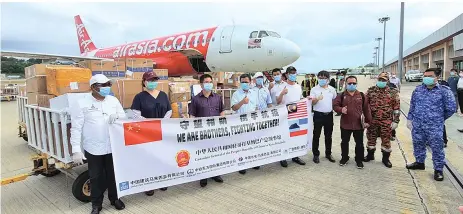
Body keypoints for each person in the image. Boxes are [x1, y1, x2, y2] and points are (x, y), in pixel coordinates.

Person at [70, 74, 126, 214]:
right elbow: (76, 127)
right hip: (94, 148)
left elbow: (124, 117)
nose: (107, 87)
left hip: (112, 145)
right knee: (96, 177)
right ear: (93, 87)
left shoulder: (113, 100)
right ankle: (96, 204)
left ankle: (115, 199)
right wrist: (76, 149)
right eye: (103, 85)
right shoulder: (82, 103)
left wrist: (117, 117)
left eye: (108, 84)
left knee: (113, 174)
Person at [406, 68, 456, 181]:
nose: (426, 78)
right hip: (418, 125)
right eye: (425, 76)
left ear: (437, 77)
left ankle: (438, 169)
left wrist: (439, 118)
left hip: (435, 126)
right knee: (418, 144)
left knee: (437, 147)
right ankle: (419, 162)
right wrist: (410, 119)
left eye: (430, 76)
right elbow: (412, 106)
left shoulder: (444, 91)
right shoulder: (418, 90)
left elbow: (451, 108)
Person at [131, 71, 172, 196]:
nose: (153, 82)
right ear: (144, 82)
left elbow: (169, 110)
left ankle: (161, 181)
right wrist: (151, 124)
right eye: (150, 80)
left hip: (162, 131)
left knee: (161, 156)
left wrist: (162, 123)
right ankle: (148, 184)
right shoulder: (139, 97)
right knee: (148, 158)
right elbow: (135, 114)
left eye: (155, 80)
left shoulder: (163, 95)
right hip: (146, 132)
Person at [189, 74, 225, 187]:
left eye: (210, 81)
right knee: (203, 154)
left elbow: (222, 112)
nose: (209, 84)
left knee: (215, 152)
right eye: (206, 82)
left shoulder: (218, 97)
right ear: (201, 84)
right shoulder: (195, 99)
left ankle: (215, 173)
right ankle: (203, 176)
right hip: (202, 132)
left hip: (215, 131)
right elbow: (192, 116)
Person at [333, 76, 372, 168]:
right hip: (345, 124)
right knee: (344, 142)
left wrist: (368, 121)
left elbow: (367, 109)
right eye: (349, 83)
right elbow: (335, 106)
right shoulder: (342, 95)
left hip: (359, 125)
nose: (352, 85)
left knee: (359, 143)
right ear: (346, 84)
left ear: (356, 84)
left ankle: (359, 160)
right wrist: (341, 109)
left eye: (354, 83)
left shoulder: (362, 95)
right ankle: (344, 158)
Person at [364, 72, 400, 168]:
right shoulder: (370, 91)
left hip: (386, 121)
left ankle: (385, 159)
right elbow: (365, 105)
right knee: (371, 138)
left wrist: (396, 121)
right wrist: (364, 119)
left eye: (383, 80)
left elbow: (396, 108)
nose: (381, 81)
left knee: (386, 140)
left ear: (387, 81)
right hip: (372, 120)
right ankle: (370, 155)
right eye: (380, 79)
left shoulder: (393, 92)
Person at [231, 73, 261, 174]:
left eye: (246, 82)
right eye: (242, 82)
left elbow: (256, 107)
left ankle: (252, 161)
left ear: (250, 82)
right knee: (241, 144)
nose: (244, 84)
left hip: (252, 122)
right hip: (240, 122)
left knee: (252, 142)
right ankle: (241, 164)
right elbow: (234, 108)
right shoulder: (236, 94)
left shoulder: (254, 93)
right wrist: (242, 102)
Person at [277, 66, 306, 167]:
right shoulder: (282, 86)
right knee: (284, 136)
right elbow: (278, 101)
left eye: (294, 73)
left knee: (295, 136)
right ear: (287, 74)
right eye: (291, 73)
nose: (293, 75)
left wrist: (307, 100)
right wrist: (282, 94)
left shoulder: (298, 86)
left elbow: (300, 99)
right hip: (285, 115)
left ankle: (295, 156)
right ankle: (283, 157)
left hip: (296, 115)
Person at [309, 70, 337, 164]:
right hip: (318, 115)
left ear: (328, 79)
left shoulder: (332, 89)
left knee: (328, 136)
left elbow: (334, 100)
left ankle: (328, 153)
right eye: (320, 78)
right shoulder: (314, 89)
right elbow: (312, 103)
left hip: (329, 115)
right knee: (316, 135)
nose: (322, 79)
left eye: (324, 78)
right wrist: (317, 99)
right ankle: (315, 154)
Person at [436, 69, 450, 148]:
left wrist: (443, 115)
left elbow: (448, 101)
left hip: (439, 111)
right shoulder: (425, 84)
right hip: (428, 111)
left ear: (438, 76)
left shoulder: (444, 84)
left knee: (441, 126)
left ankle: (444, 141)